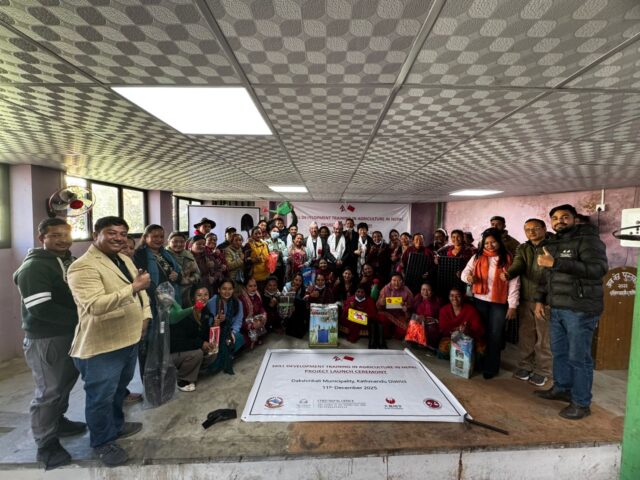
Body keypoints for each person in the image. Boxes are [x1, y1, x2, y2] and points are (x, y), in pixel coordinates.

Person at [67, 216, 152, 467]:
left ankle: (115, 425)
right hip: (102, 345)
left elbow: (142, 293)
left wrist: (145, 317)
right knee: (100, 397)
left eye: (123, 233)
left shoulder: (123, 259)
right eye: (111, 232)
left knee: (118, 390)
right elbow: (95, 306)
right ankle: (102, 442)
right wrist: (133, 288)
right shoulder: (82, 267)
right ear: (96, 235)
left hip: (129, 338)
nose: (119, 238)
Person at [13, 218, 86, 470]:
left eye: (66, 235)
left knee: (64, 383)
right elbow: (41, 308)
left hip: (70, 333)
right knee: (49, 391)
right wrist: (82, 318)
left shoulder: (67, 260)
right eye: (55, 235)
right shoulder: (34, 267)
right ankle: (45, 444)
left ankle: (58, 421)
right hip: (47, 337)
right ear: (41, 237)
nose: (63, 240)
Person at [533, 204, 608, 420]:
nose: (559, 221)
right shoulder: (553, 243)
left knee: (579, 358)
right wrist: (539, 300)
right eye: (555, 218)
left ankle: (581, 403)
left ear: (575, 219)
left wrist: (556, 262)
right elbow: (547, 276)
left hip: (580, 309)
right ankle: (562, 388)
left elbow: (598, 270)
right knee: (559, 352)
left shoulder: (589, 241)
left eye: (565, 217)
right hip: (557, 308)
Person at [462, 228, 520, 379]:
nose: (490, 245)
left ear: (499, 242)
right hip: (479, 300)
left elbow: (514, 283)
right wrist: (468, 278)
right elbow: (464, 272)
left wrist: (512, 305)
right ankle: (478, 361)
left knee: (495, 335)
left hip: (499, 303)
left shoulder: (507, 258)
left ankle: (491, 367)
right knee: (480, 332)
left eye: (493, 242)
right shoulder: (477, 256)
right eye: (487, 243)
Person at [502, 219, 552, 387]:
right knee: (526, 335)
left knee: (544, 338)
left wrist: (542, 299)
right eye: (527, 229)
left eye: (535, 228)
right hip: (526, 298)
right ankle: (525, 366)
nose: (531, 232)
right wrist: (509, 274)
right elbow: (518, 264)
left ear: (544, 228)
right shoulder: (523, 248)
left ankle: (543, 371)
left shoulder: (554, 246)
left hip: (546, 300)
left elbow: (551, 274)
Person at [168, 286, 214, 392]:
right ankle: (182, 380)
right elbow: (179, 342)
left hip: (189, 348)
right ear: (193, 298)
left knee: (212, 351)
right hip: (174, 353)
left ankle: (193, 371)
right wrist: (201, 343)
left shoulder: (205, 312)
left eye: (206, 295)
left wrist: (213, 328)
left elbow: (202, 336)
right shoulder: (184, 314)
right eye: (199, 295)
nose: (203, 298)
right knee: (197, 353)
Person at [205, 279, 245, 374]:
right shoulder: (212, 302)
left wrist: (233, 332)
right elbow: (207, 323)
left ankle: (226, 357)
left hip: (229, 331)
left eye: (230, 289)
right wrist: (216, 322)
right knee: (214, 364)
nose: (227, 292)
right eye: (224, 289)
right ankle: (224, 358)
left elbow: (238, 321)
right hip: (214, 333)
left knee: (238, 338)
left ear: (233, 290)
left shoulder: (237, 302)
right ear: (219, 290)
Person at [438, 288, 485, 358]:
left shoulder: (471, 310)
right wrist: (456, 331)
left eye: (458, 296)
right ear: (449, 297)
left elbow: (479, 330)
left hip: (469, 339)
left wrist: (468, 331)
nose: (455, 298)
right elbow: (443, 330)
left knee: (481, 350)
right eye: (452, 295)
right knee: (442, 348)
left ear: (463, 297)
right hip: (451, 339)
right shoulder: (444, 310)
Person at [167, 231, 200, 307]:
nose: (179, 244)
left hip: (188, 294)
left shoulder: (188, 255)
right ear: (168, 242)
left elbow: (197, 273)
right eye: (175, 241)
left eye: (182, 242)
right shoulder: (164, 256)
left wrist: (186, 280)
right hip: (171, 295)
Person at [376, 273, 413, 340]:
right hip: (387, 314)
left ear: (402, 281)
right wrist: (381, 303)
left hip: (400, 316)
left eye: (399, 280)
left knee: (403, 332)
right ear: (390, 281)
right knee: (382, 318)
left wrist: (406, 308)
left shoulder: (407, 291)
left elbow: (411, 307)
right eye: (394, 280)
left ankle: (394, 331)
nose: (396, 283)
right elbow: (378, 307)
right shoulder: (385, 289)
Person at [238, 277, 268, 349]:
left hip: (256, 321)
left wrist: (264, 315)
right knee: (246, 341)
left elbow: (261, 308)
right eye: (250, 286)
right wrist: (252, 326)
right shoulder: (241, 299)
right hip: (245, 325)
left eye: (255, 285)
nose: (253, 288)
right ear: (245, 287)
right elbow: (240, 320)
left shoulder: (257, 295)